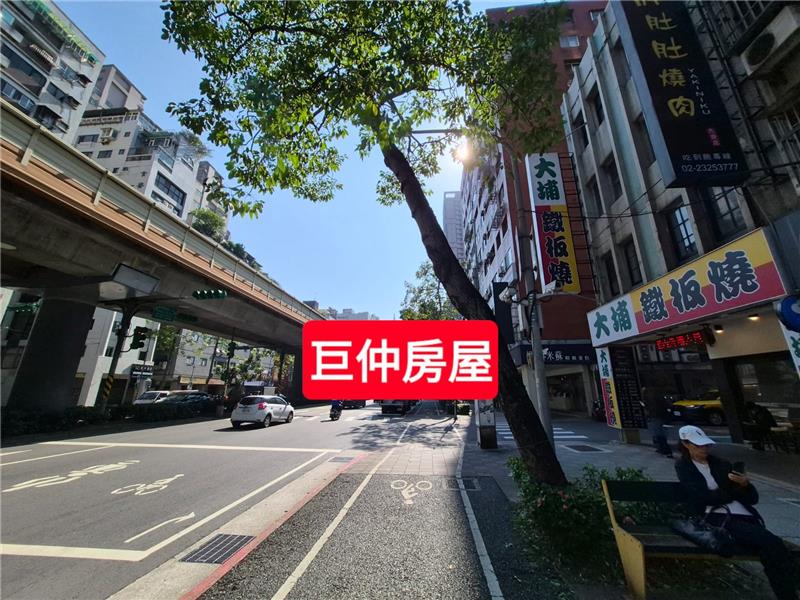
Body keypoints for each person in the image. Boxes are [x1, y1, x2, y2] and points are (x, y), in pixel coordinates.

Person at [675, 425, 798, 600]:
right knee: (772, 544)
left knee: (770, 549)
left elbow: (751, 498)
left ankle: (786, 594)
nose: (704, 449)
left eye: (706, 445)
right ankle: (788, 595)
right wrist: (730, 492)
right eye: (699, 445)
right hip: (718, 518)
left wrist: (745, 485)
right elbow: (701, 497)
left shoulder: (721, 464)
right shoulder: (684, 466)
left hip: (743, 515)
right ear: (686, 444)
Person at [642, 386, 673, 457]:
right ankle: (661, 448)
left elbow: (651, 408)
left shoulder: (652, 399)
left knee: (658, 434)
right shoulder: (658, 398)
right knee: (658, 433)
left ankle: (666, 450)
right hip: (659, 416)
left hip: (656, 417)